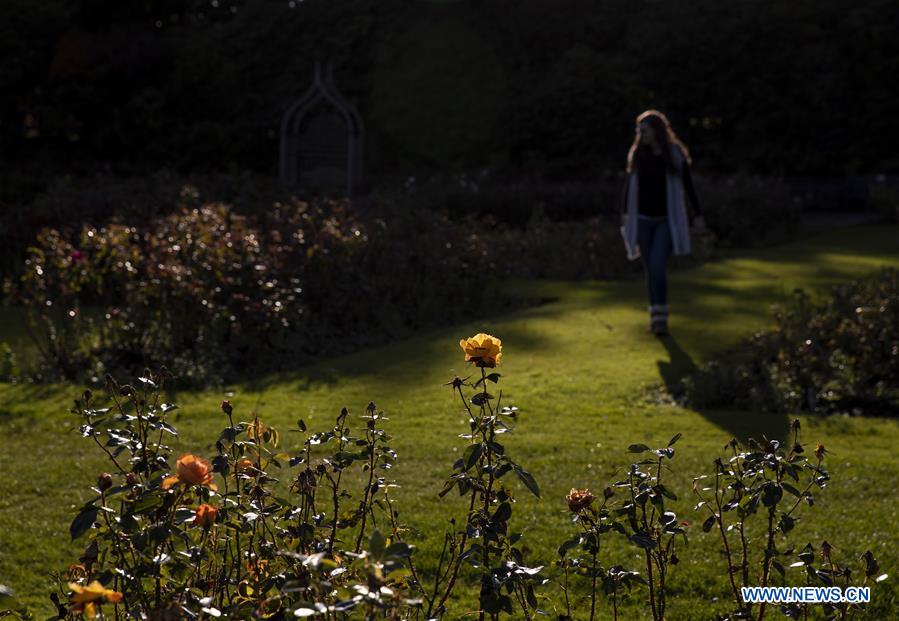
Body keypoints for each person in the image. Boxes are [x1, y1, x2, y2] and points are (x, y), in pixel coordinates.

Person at [620, 109, 705, 336]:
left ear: (656, 131)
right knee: (650, 268)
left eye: (644, 130)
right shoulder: (638, 154)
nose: (641, 134)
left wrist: (697, 214)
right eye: (639, 130)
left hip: (666, 220)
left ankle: (661, 314)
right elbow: (629, 186)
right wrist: (625, 214)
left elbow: (688, 186)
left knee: (658, 263)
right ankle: (656, 317)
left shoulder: (674, 155)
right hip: (642, 220)